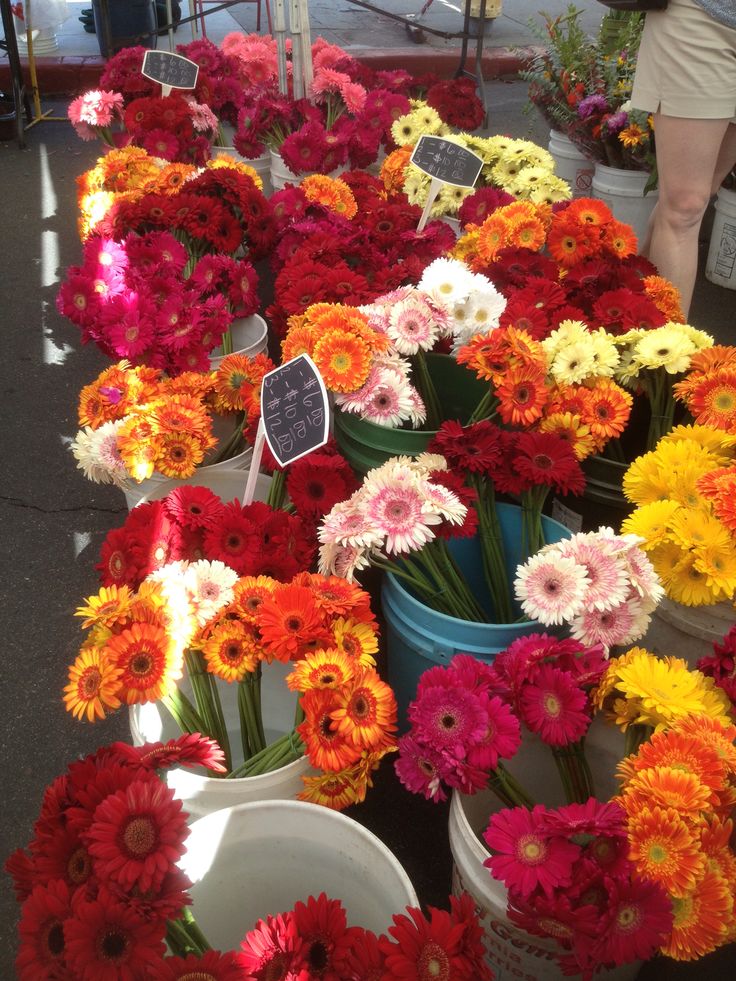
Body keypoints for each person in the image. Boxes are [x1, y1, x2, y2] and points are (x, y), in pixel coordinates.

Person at [630, 0, 736, 317]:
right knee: (684, 206)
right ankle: (666, 359)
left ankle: (620, 302)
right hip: (702, 17)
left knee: (692, 201)